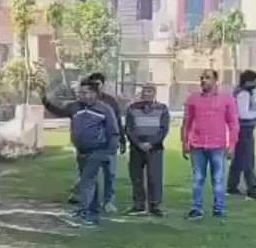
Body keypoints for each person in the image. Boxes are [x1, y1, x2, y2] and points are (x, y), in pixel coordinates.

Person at [42, 79, 121, 227]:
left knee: (86, 181)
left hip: (98, 151)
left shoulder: (104, 109)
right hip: (81, 151)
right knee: (91, 182)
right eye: (79, 92)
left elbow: (113, 132)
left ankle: (87, 215)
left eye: (84, 92)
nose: (80, 95)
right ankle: (92, 211)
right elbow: (57, 111)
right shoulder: (75, 107)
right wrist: (45, 98)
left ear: (94, 93)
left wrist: (109, 151)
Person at [181, 68, 240, 221]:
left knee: (218, 179)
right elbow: (186, 123)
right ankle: (196, 209)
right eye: (201, 78)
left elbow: (233, 123)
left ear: (215, 80)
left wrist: (232, 145)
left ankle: (219, 209)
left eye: (207, 78)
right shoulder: (193, 99)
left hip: (218, 146)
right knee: (198, 178)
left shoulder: (226, 99)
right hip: (197, 145)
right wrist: (184, 143)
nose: (203, 81)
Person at [124, 84, 170, 216]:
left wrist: (151, 143)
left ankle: (155, 205)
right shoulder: (132, 108)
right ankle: (138, 204)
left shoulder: (162, 109)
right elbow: (129, 128)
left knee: (154, 177)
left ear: (154, 93)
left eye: (149, 91)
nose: (146, 94)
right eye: (144, 91)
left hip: (155, 148)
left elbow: (164, 129)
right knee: (136, 177)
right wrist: (138, 143)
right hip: (136, 147)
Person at [87, 73, 126, 213]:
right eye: (93, 85)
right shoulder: (85, 101)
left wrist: (122, 139)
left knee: (110, 174)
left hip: (109, 143)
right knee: (91, 174)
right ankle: (93, 202)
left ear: (103, 85)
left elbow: (117, 121)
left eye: (98, 84)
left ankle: (108, 201)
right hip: (92, 145)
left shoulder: (111, 101)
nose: (96, 87)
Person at [227, 69, 256, 199]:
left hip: (240, 129)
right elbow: (243, 114)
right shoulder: (244, 94)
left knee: (239, 160)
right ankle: (251, 188)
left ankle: (232, 186)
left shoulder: (242, 92)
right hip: (245, 130)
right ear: (249, 81)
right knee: (248, 159)